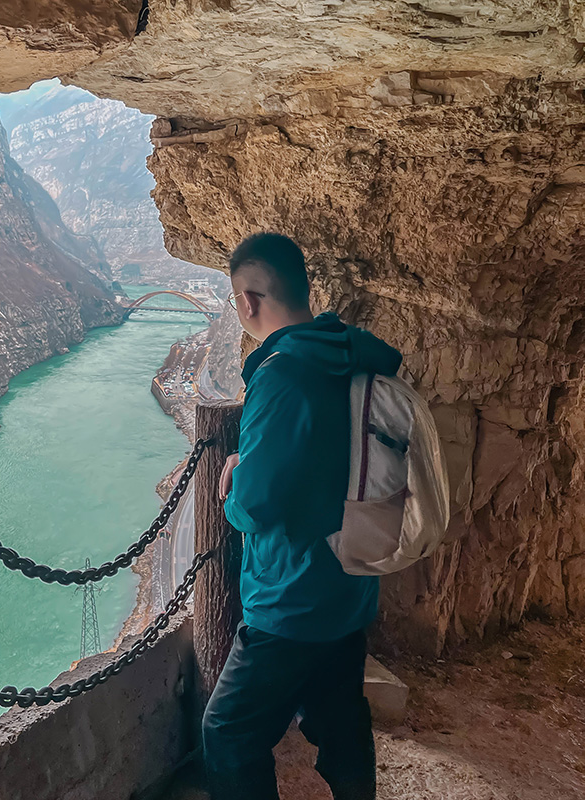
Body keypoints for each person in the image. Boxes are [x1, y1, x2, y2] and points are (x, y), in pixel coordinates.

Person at [202, 232, 402, 800]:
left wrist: (235, 482)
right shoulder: (349, 352)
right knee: (339, 714)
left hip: (292, 596)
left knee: (229, 733)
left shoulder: (283, 373)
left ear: (248, 300)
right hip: (352, 580)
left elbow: (256, 506)